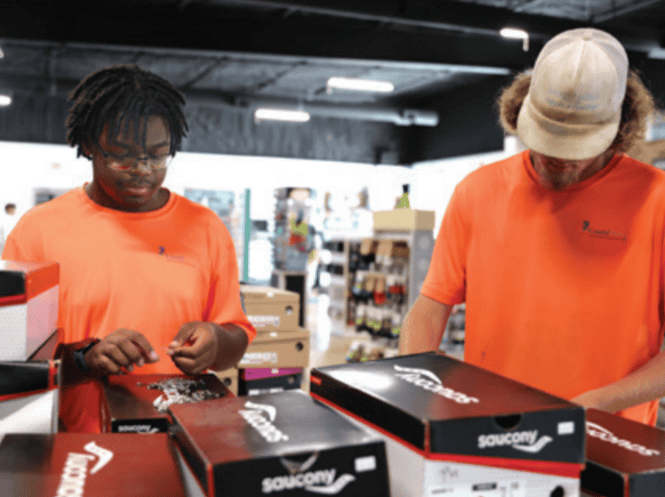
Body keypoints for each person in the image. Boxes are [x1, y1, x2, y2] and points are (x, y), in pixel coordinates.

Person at [400, 27, 665, 426]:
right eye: (549, 140)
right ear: (522, 111)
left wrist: (590, 406)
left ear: (620, 127)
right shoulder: (477, 190)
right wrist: (411, 387)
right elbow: (431, 308)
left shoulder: (657, 201)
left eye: (579, 147)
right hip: (492, 427)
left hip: (607, 440)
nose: (561, 159)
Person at [2, 64, 256, 432]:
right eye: (122, 155)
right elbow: (13, 361)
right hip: (78, 447)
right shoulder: (38, 230)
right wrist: (85, 357)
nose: (142, 170)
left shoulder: (205, 228)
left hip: (183, 439)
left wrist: (216, 343)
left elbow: (237, 336)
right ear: (89, 145)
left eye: (157, 155)